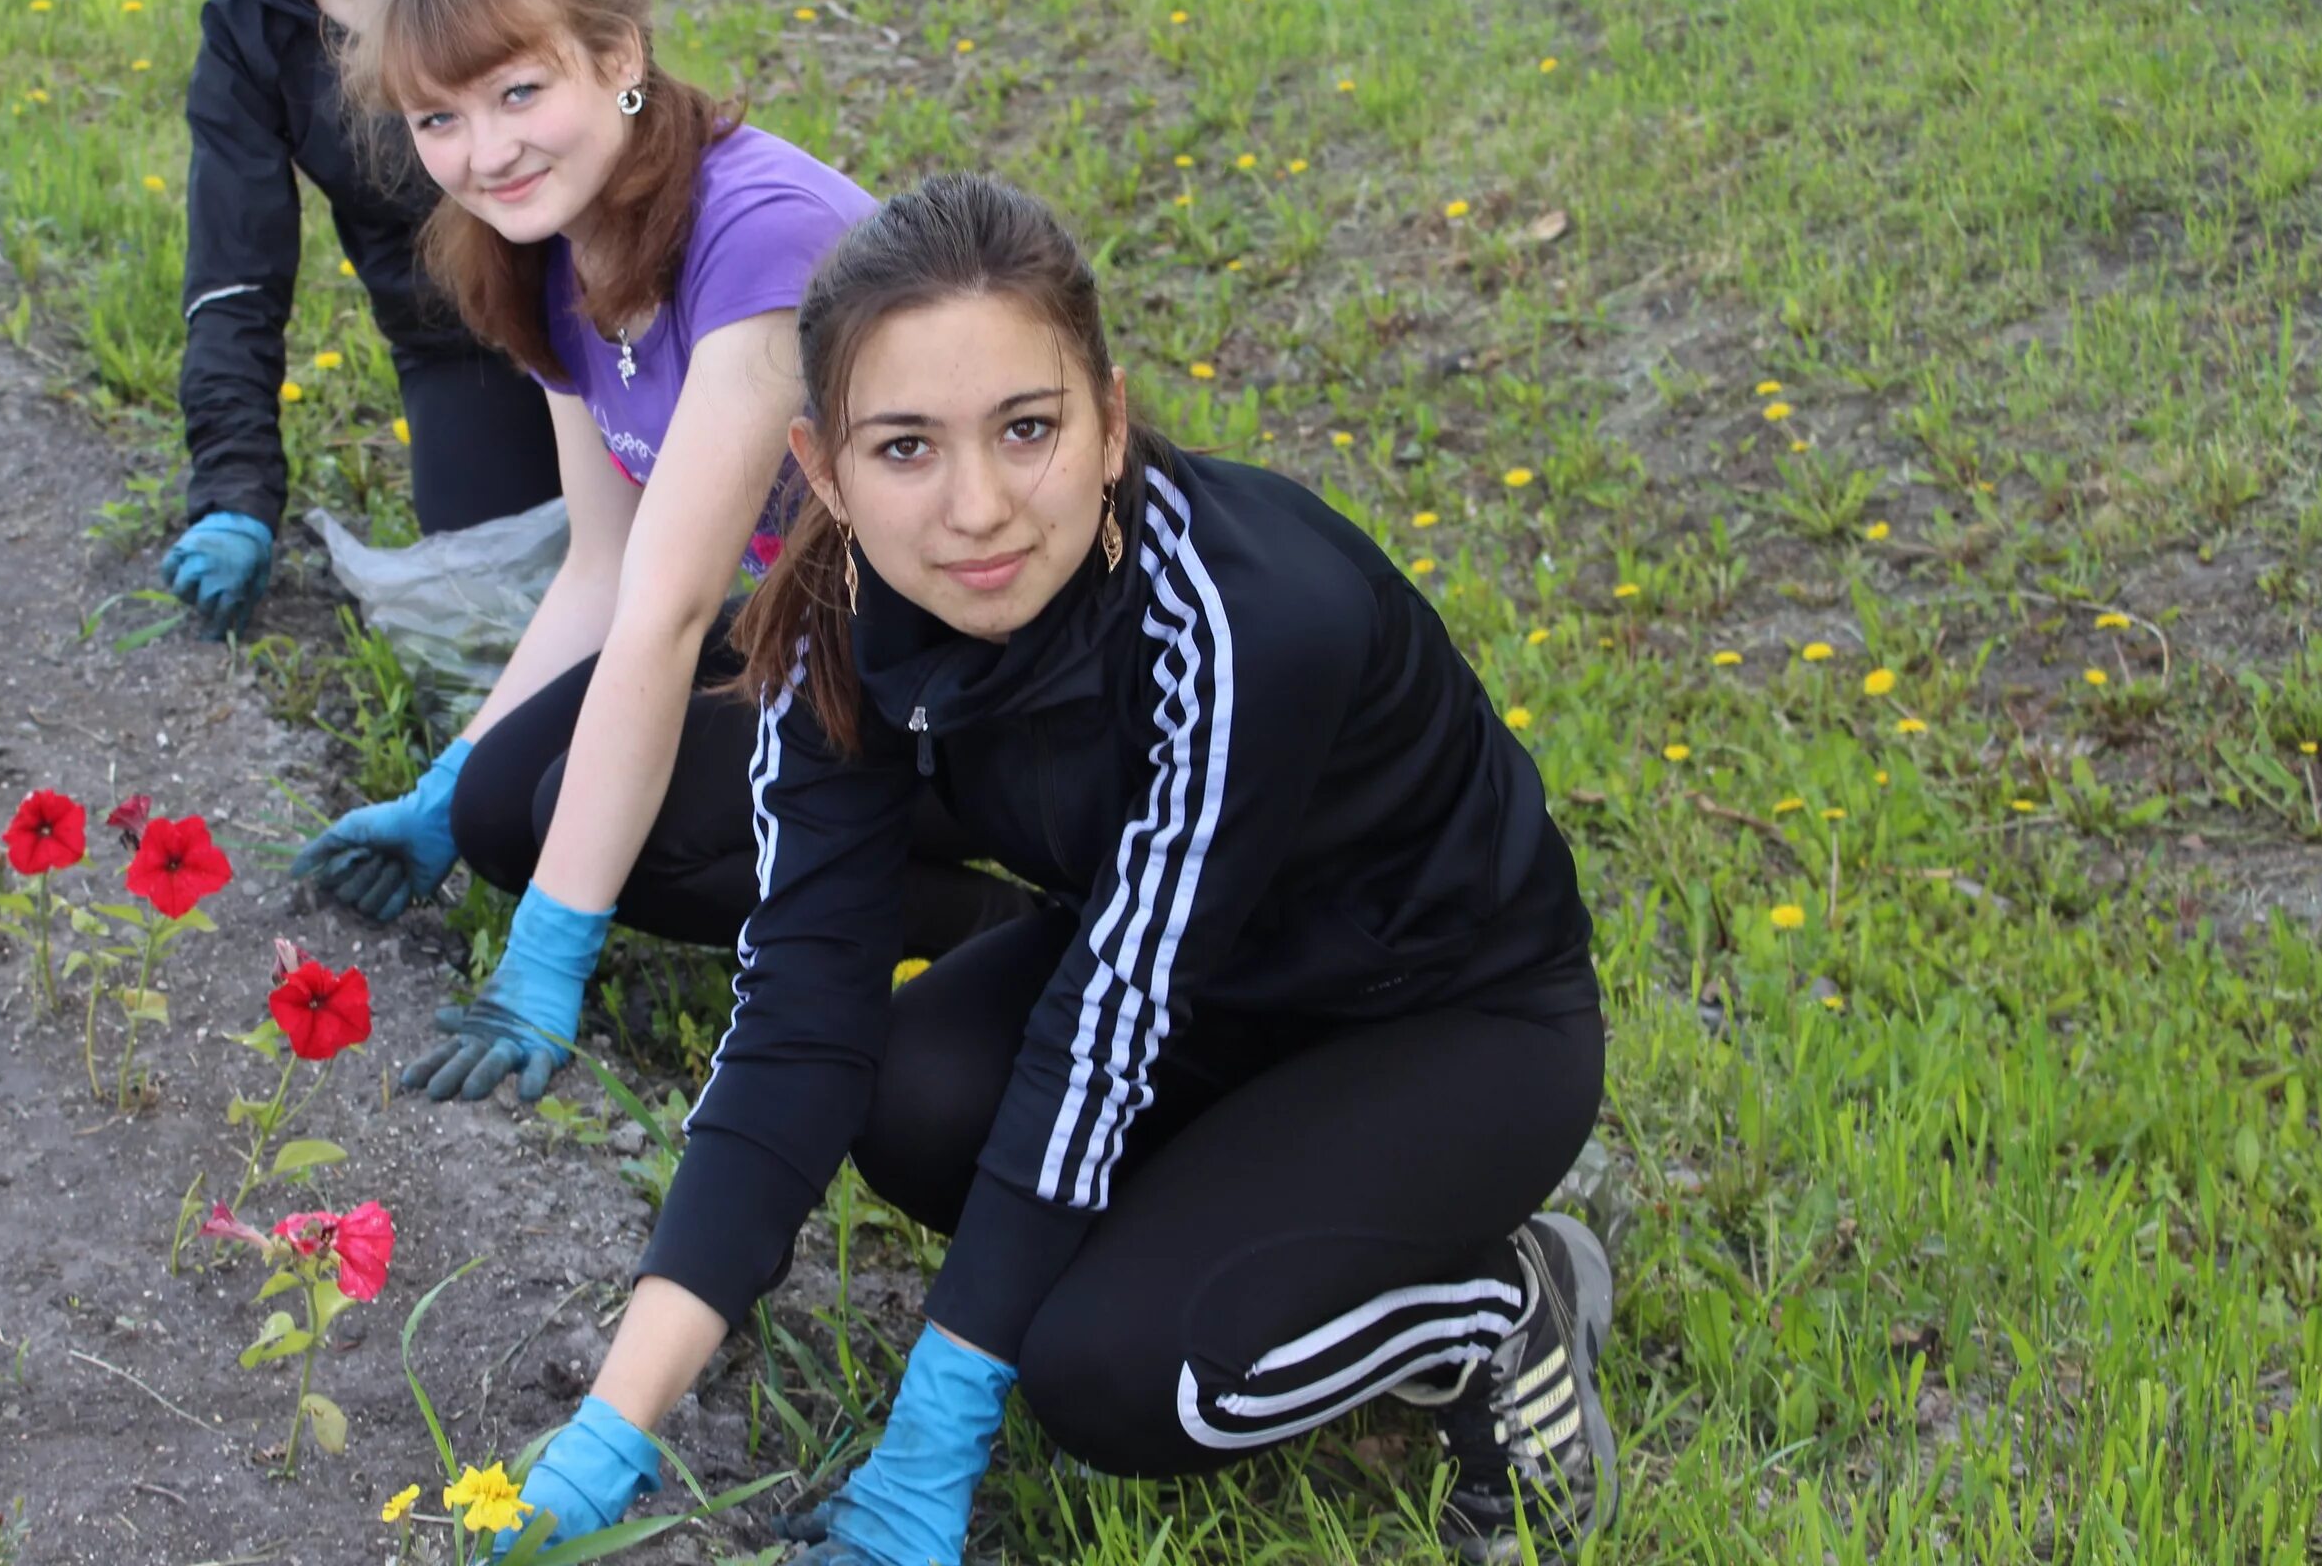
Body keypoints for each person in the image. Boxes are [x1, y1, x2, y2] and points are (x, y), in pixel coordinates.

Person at [496, 175, 1619, 1566]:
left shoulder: (1244, 620)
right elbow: (796, 1021)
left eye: (1025, 430)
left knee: (1122, 1381)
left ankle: (1493, 1302)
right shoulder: (841, 629)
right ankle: (1231, 1231)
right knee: (906, 1101)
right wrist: (617, 1418)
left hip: (1444, 1020)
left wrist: (935, 1439)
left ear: (1110, 420)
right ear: (824, 468)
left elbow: (1107, 1034)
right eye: (904, 448)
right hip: (1202, 990)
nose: (976, 509)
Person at [289, 0, 1034, 1098]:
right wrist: (443, 781)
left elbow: (668, 613)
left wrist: (548, 949)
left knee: (638, 833)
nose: (485, 152)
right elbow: (603, 563)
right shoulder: (542, 245)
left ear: (621, 59)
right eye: (441, 117)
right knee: (494, 814)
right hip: (829, 623)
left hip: (981, 658)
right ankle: (900, 878)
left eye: (520, 92)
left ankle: (996, 921)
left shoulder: (757, 240)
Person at [160, 0, 562, 639]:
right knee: (491, 619)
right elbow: (234, 278)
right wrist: (233, 491)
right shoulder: (250, 35)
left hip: (615, 304)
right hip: (458, 342)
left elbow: (639, 108)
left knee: (716, 570)